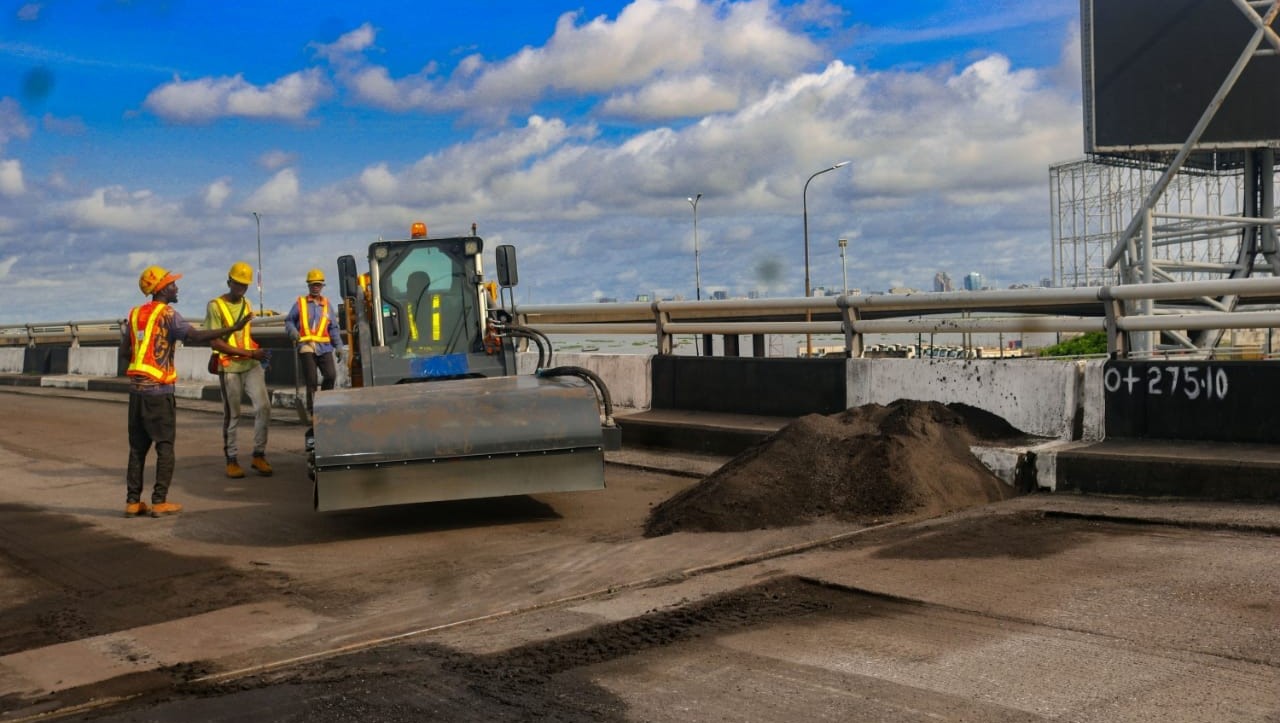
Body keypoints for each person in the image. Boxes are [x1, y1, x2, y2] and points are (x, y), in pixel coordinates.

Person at [122, 265, 250, 518]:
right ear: (161, 288)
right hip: (159, 392)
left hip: (136, 392)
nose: (176, 287)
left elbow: (124, 352)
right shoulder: (169, 315)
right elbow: (198, 336)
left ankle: (133, 502)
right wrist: (232, 330)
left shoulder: (135, 314)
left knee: (137, 449)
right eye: (172, 283)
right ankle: (159, 502)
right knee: (165, 447)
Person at [206, 261, 273, 479]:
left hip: (251, 365)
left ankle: (258, 454)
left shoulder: (247, 304)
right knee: (233, 414)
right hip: (230, 367)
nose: (241, 288)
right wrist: (250, 354)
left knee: (264, 407)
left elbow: (245, 336)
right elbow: (215, 342)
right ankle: (232, 459)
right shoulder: (215, 306)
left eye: (245, 285)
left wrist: (255, 353)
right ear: (229, 282)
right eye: (237, 284)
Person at [285, 268, 345, 415]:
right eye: (313, 284)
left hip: (324, 347)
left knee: (330, 375)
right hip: (306, 346)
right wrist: (292, 331)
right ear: (308, 286)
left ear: (322, 286)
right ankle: (313, 411)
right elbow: (289, 321)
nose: (315, 287)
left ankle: (324, 403)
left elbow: (333, 328)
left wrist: (338, 346)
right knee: (311, 380)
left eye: (318, 284)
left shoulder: (326, 305)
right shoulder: (300, 303)